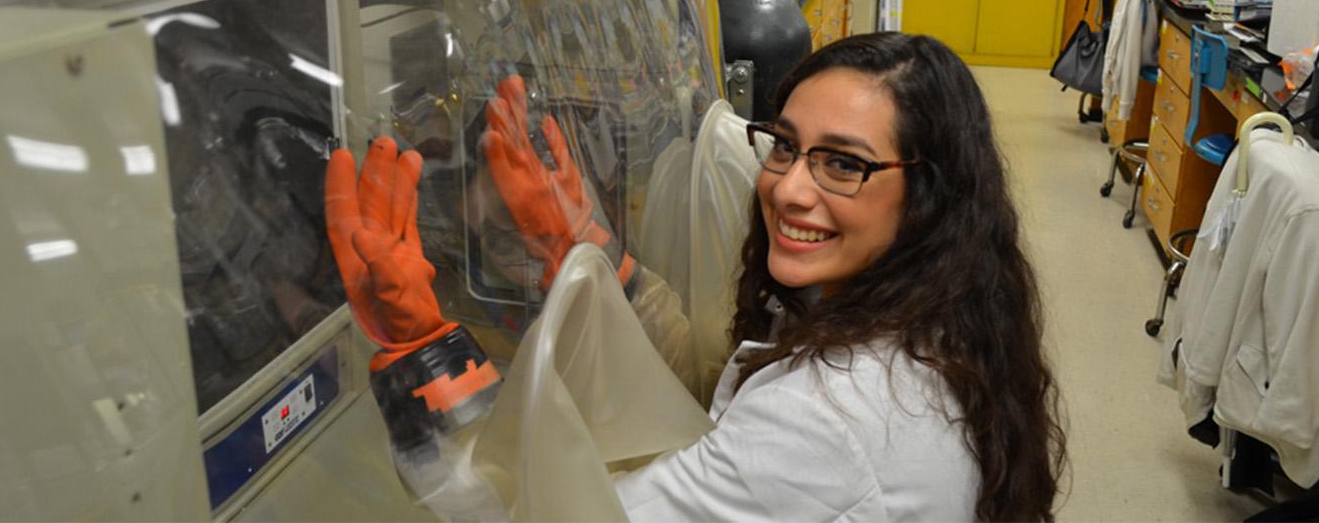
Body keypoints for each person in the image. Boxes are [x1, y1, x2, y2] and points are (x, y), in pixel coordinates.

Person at [327, 31, 1065, 522]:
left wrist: (423, 353)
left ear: (929, 193)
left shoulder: (834, 420)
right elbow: (712, 407)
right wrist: (600, 262)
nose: (789, 188)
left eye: (843, 162)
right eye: (784, 145)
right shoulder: (936, 314)